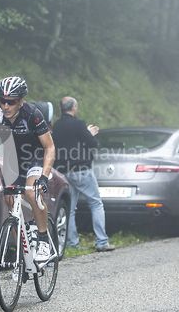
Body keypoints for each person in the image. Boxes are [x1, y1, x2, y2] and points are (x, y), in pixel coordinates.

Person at [0, 76, 56, 262]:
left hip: (35, 155)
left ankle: (43, 240)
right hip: (14, 157)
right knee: (10, 201)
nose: (6, 106)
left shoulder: (33, 114)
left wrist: (43, 177)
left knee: (32, 192)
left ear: (21, 101)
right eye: (2, 100)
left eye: (11, 101)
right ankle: (23, 255)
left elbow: (49, 147)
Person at [52, 96, 115, 252]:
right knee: (96, 204)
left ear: (60, 109)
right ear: (74, 108)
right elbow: (92, 144)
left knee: (70, 209)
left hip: (63, 172)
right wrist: (89, 133)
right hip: (81, 171)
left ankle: (72, 243)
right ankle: (101, 242)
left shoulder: (57, 126)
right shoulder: (78, 124)